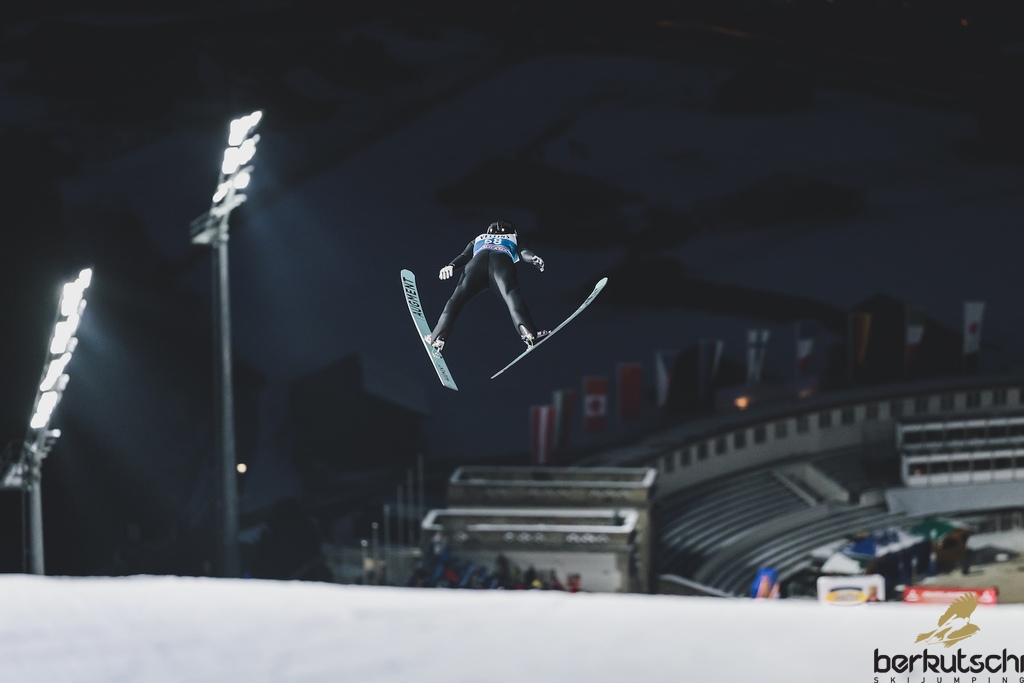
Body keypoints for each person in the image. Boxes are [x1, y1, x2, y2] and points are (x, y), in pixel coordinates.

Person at [424, 219, 547, 354]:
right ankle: (528, 332)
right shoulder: (514, 238)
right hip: (501, 263)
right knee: (511, 295)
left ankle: (438, 336)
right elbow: (524, 252)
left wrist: (451, 265)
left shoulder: (479, 238)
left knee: (457, 300)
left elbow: (464, 256)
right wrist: (533, 258)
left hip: (476, 264)